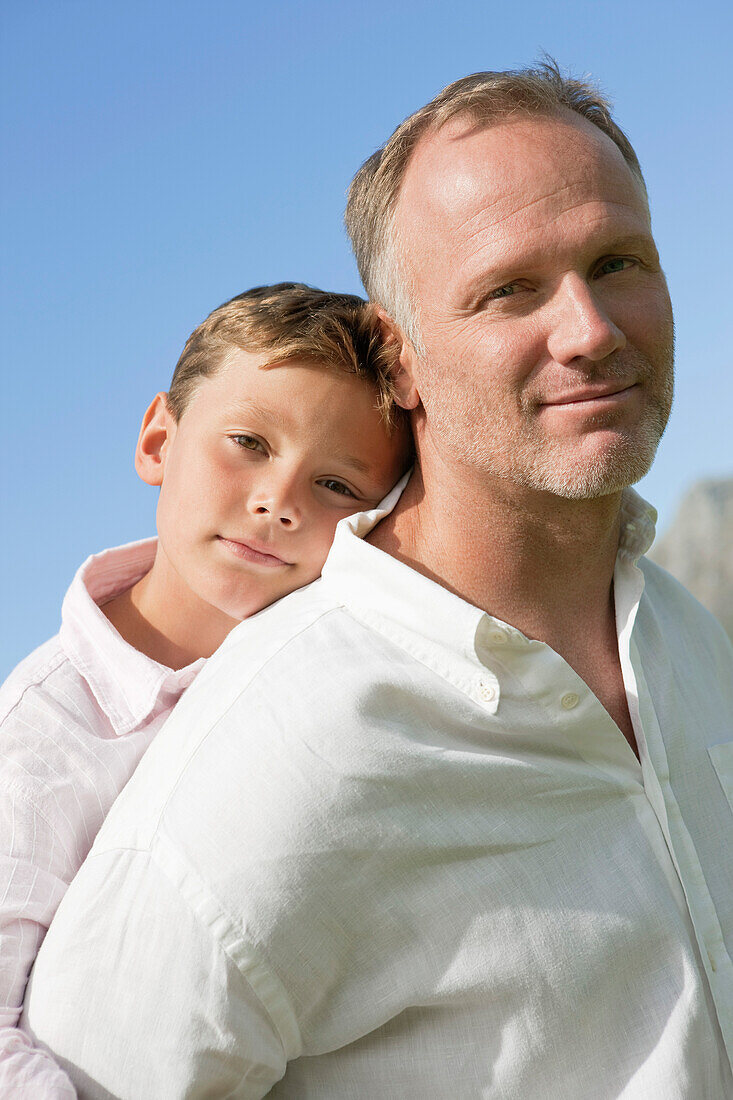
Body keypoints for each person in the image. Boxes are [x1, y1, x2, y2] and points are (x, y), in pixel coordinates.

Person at [21, 63, 733, 1099]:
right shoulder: (277, 742)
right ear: (399, 362)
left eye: (618, 261)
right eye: (508, 289)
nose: (590, 329)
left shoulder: (683, 633)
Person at [0, 283, 410, 1096]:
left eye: (338, 486)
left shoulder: (340, 672)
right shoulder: (44, 734)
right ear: (158, 440)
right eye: (248, 442)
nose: (279, 501)